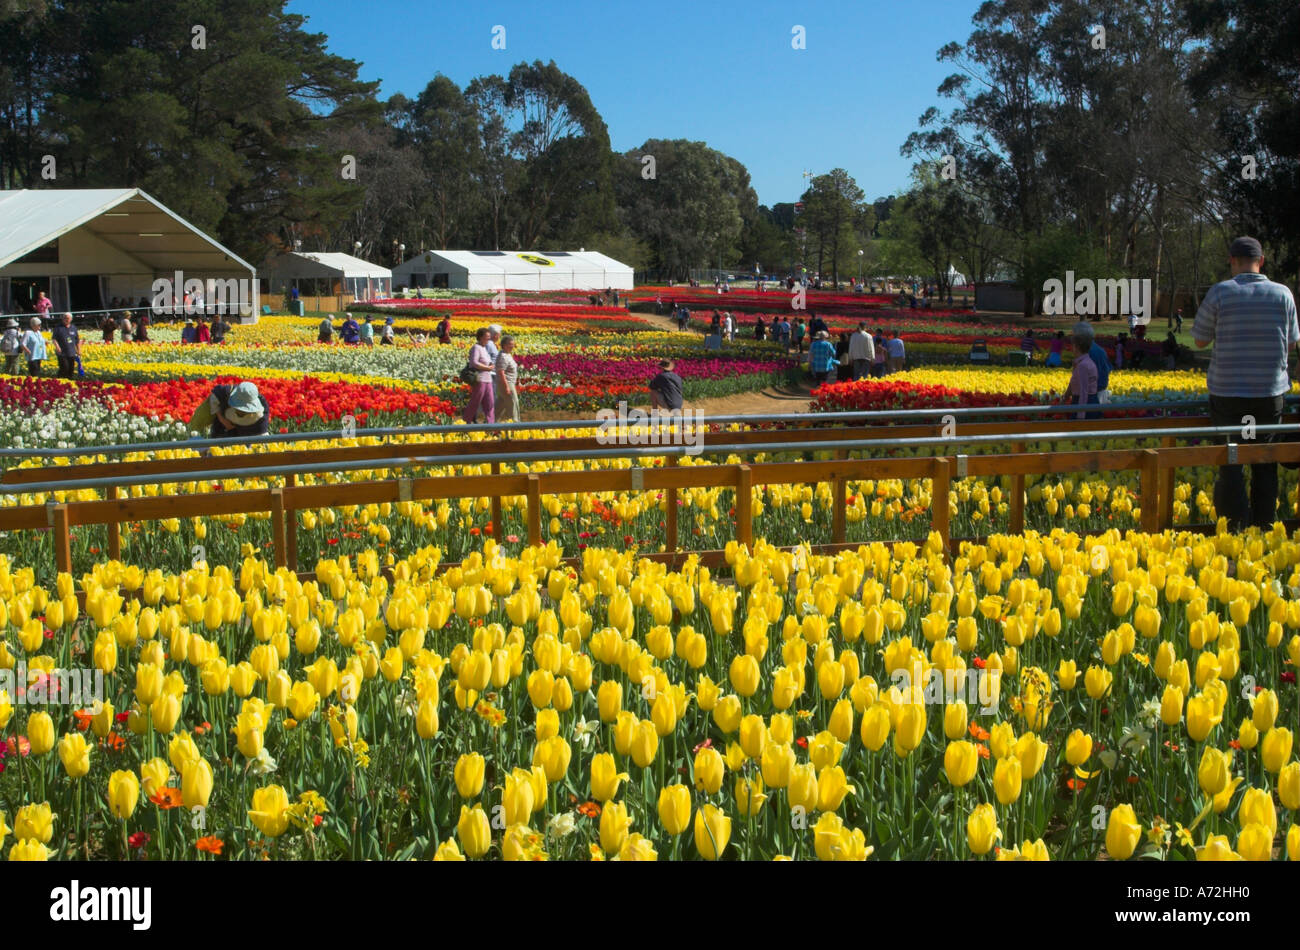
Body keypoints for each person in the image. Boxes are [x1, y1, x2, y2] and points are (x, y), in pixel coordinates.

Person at [1193, 236, 1299, 531]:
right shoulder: (1283, 294)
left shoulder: (1220, 293)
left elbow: (1200, 340)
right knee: (1265, 461)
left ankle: (1235, 529)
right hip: (1268, 394)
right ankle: (1266, 528)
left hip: (1228, 394)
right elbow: (1291, 345)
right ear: (1261, 261)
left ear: (1232, 261)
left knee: (1232, 459)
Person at [187, 381, 271, 439]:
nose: (241, 412)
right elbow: (214, 398)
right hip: (223, 431)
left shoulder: (262, 412)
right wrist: (222, 419)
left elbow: (262, 433)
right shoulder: (225, 393)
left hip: (248, 437)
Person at [1064, 322, 1100, 420]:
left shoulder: (1083, 365)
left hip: (1084, 403)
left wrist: (1080, 415)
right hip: (1090, 401)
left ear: (1077, 347)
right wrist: (1066, 396)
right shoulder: (1087, 362)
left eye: (1073, 346)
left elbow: (1084, 391)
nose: (1072, 349)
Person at [463, 327, 496, 424]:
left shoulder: (484, 348)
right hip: (480, 379)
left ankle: (491, 425)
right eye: (487, 337)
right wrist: (487, 368)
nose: (489, 339)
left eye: (489, 337)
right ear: (481, 337)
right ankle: (465, 422)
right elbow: (473, 363)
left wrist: (490, 365)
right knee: (475, 402)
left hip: (488, 379)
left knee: (489, 403)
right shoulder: (476, 348)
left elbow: (487, 361)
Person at [494, 334, 520, 422]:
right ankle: (515, 426)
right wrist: (507, 386)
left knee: (500, 405)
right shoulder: (503, 356)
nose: (512, 346)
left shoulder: (506, 354)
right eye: (510, 344)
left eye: (513, 344)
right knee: (513, 404)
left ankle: (489, 424)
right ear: (504, 345)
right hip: (506, 383)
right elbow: (501, 372)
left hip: (508, 383)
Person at [51, 312, 80, 380]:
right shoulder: (58, 327)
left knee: (71, 369)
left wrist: (79, 350)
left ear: (71, 319)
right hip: (62, 353)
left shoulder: (73, 328)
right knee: (64, 368)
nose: (66, 320)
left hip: (72, 352)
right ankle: (59, 381)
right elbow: (54, 339)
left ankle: (69, 382)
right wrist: (57, 347)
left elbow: (77, 340)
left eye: (68, 318)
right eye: (64, 318)